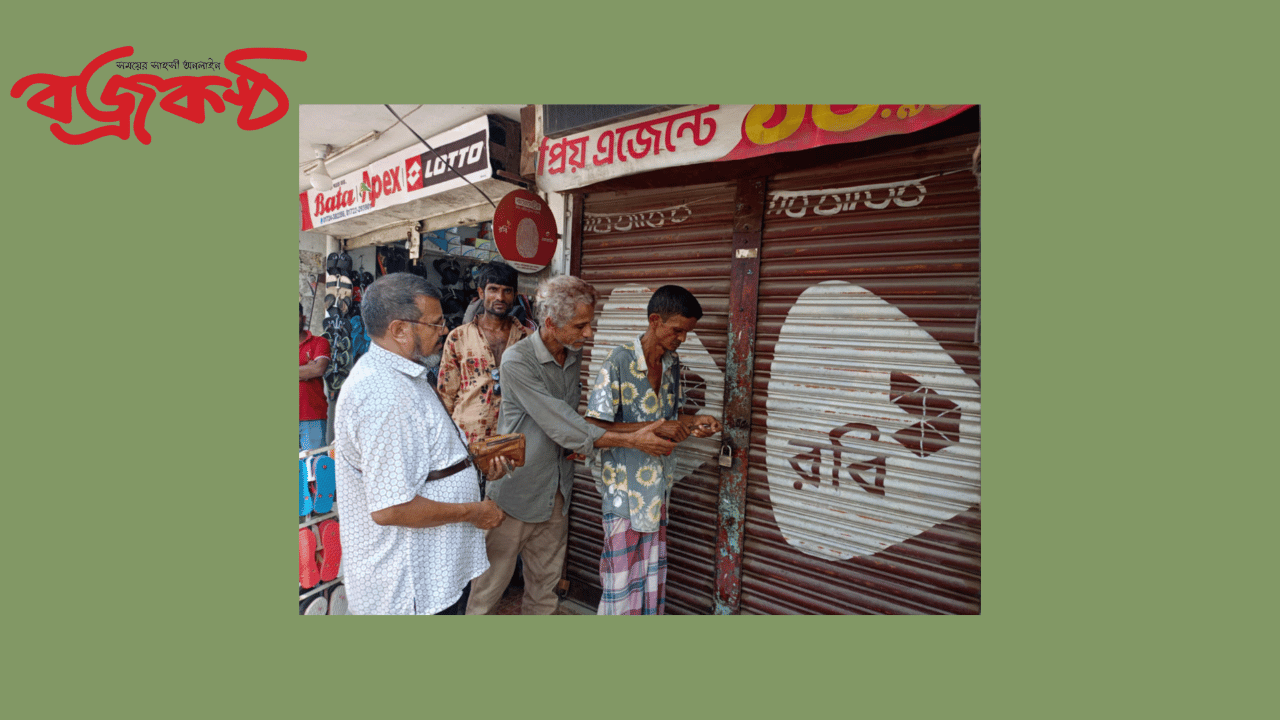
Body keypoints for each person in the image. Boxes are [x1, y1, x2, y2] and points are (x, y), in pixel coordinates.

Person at [465, 275, 675, 615]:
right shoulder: (518, 360)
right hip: (515, 493)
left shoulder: (571, 354)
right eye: (580, 326)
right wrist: (631, 440)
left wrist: (579, 441)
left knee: (545, 592)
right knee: (487, 593)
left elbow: (569, 425)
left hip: (556, 493)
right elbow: (561, 421)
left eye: (588, 324)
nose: (588, 333)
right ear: (550, 323)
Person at [332, 273, 505, 615]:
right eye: (435, 323)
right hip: (408, 590)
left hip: (430, 578)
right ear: (399, 330)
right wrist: (475, 511)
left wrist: (469, 467)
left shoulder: (405, 373)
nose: (443, 331)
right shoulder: (384, 395)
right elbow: (390, 508)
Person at [584, 285, 722, 614]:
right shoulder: (619, 360)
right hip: (623, 497)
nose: (681, 339)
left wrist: (694, 423)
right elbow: (592, 429)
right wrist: (659, 426)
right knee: (620, 585)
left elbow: (666, 422)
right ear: (655, 320)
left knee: (648, 584)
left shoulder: (672, 365)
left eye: (687, 333)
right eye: (677, 330)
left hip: (657, 494)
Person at [437, 261, 529, 445]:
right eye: (493, 289)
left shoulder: (528, 339)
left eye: (507, 291)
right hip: (466, 439)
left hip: (512, 438)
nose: (500, 297)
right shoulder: (459, 337)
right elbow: (445, 395)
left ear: (515, 295)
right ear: (481, 293)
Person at [299, 303, 331, 450]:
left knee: (314, 468)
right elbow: (312, 369)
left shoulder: (319, 342)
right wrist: (306, 369)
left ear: (302, 318)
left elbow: (318, 369)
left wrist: (313, 369)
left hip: (311, 417)